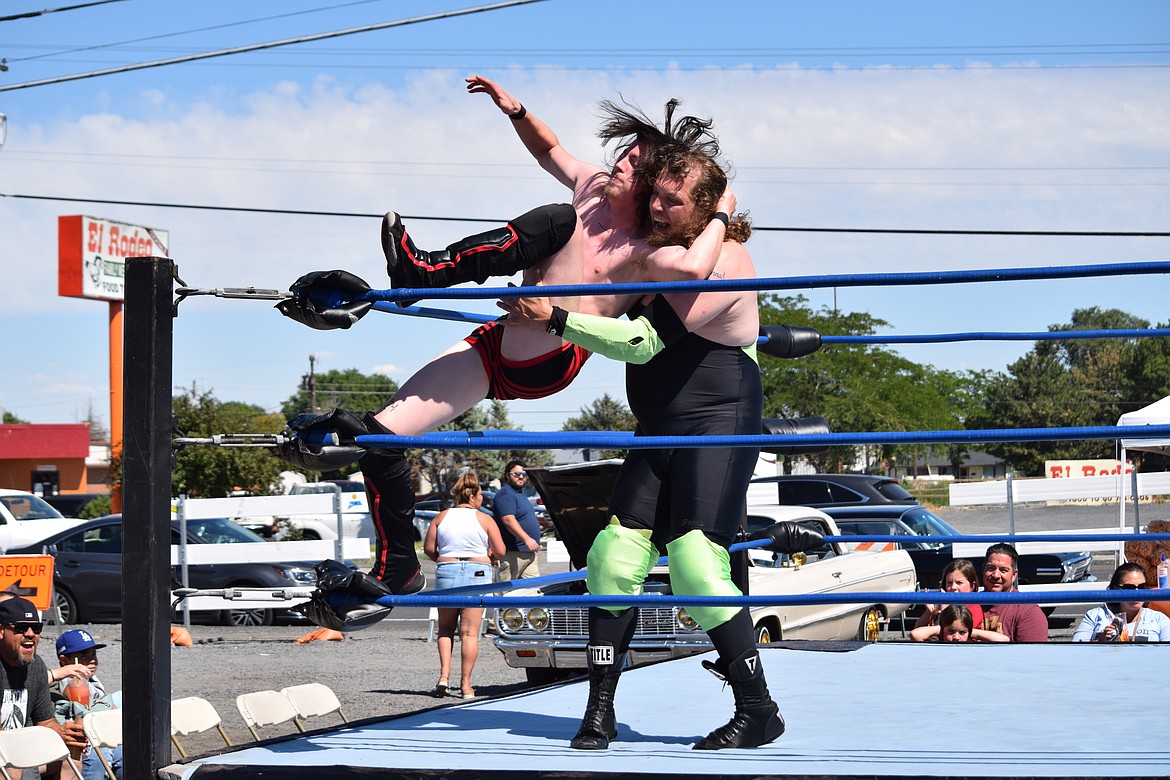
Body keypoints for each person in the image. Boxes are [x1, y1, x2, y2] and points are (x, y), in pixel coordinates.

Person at [276, 80, 737, 632]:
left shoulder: (645, 250)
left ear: (648, 188)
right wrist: (515, 110)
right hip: (499, 343)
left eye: (633, 163)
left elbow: (694, 271)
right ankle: (397, 566)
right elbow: (549, 148)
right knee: (379, 436)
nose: (618, 164)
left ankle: (426, 271)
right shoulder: (590, 186)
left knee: (555, 220)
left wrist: (721, 215)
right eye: (623, 153)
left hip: (550, 350)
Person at [501, 137, 813, 751]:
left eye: (673, 201)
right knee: (612, 559)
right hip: (658, 426)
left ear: (706, 206)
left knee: (698, 565)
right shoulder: (653, 252)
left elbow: (644, 342)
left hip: (719, 420)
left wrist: (556, 320)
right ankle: (599, 710)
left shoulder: (731, 260)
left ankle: (759, 708)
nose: (658, 208)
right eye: (657, 197)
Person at [423, 473, 506, 699]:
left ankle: (443, 676)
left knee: (445, 629)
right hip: (476, 572)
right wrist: (488, 555)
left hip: (447, 570)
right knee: (469, 633)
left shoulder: (441, 517)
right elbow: (500, 551)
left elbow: (429, 549)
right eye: (480, 495)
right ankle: (466, 685)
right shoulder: (485, 519)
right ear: (473, 497)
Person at [0, 597, 85, 779]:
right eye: (21, 628)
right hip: (7, 753)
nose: (30, 634)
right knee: (10, 767)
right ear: (1, 631)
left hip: (18, 749)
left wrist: (64, 733)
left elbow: (45, 722)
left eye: (36, 628)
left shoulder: (36, 666)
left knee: (71, 756)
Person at [50, 630, 121, 780]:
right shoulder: (68, 681)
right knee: (95, 758)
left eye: (93, 654)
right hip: (81, 738)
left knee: (124, 753)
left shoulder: (93, 681)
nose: (92, 660)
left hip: (99, 732)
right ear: (64, 660)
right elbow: (81, 709)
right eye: (83, 656)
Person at [1071, 562, 1170, 642]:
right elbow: (1077, 654)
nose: (1136, 592)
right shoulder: (1095, 615)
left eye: (1141, 587)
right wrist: (1099, 641)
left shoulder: (1159, 619)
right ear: (1116, 588)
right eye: (1129, 587)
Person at [979, 543, 1048, 641]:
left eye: (1003, 570)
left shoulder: (1028, 612)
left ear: (1014, 575)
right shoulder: (970, 605)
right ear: (983, 569)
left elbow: (1033, 654)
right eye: (991, 568)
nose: (996, 575)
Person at [493, 460, 542, 581]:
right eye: (517, 474)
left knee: (534, 592)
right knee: (505, 593)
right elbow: (508, 520)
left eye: (524, 474)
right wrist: (527, 539)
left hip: (528, 554)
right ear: (507, 475)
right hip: (513, 554)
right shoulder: (505, 494)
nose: (521, 477)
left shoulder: (519, 493)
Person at [912, 559, 984, 631]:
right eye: (949, 583)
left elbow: (953, 633)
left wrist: (945, 612)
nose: (953, 587)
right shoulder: (943, 604)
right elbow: (917, 629)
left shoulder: (974, 608)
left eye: (959, 583)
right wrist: (929, 612)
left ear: (972, 586)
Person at [910, 605, 1008, 643]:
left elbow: (1004, 640)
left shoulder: (971, 647)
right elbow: (914, 635)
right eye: (951, 631)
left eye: (962, 632)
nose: (956, 637)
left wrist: (971, 632)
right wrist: (939, 629)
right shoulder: (937, 646)